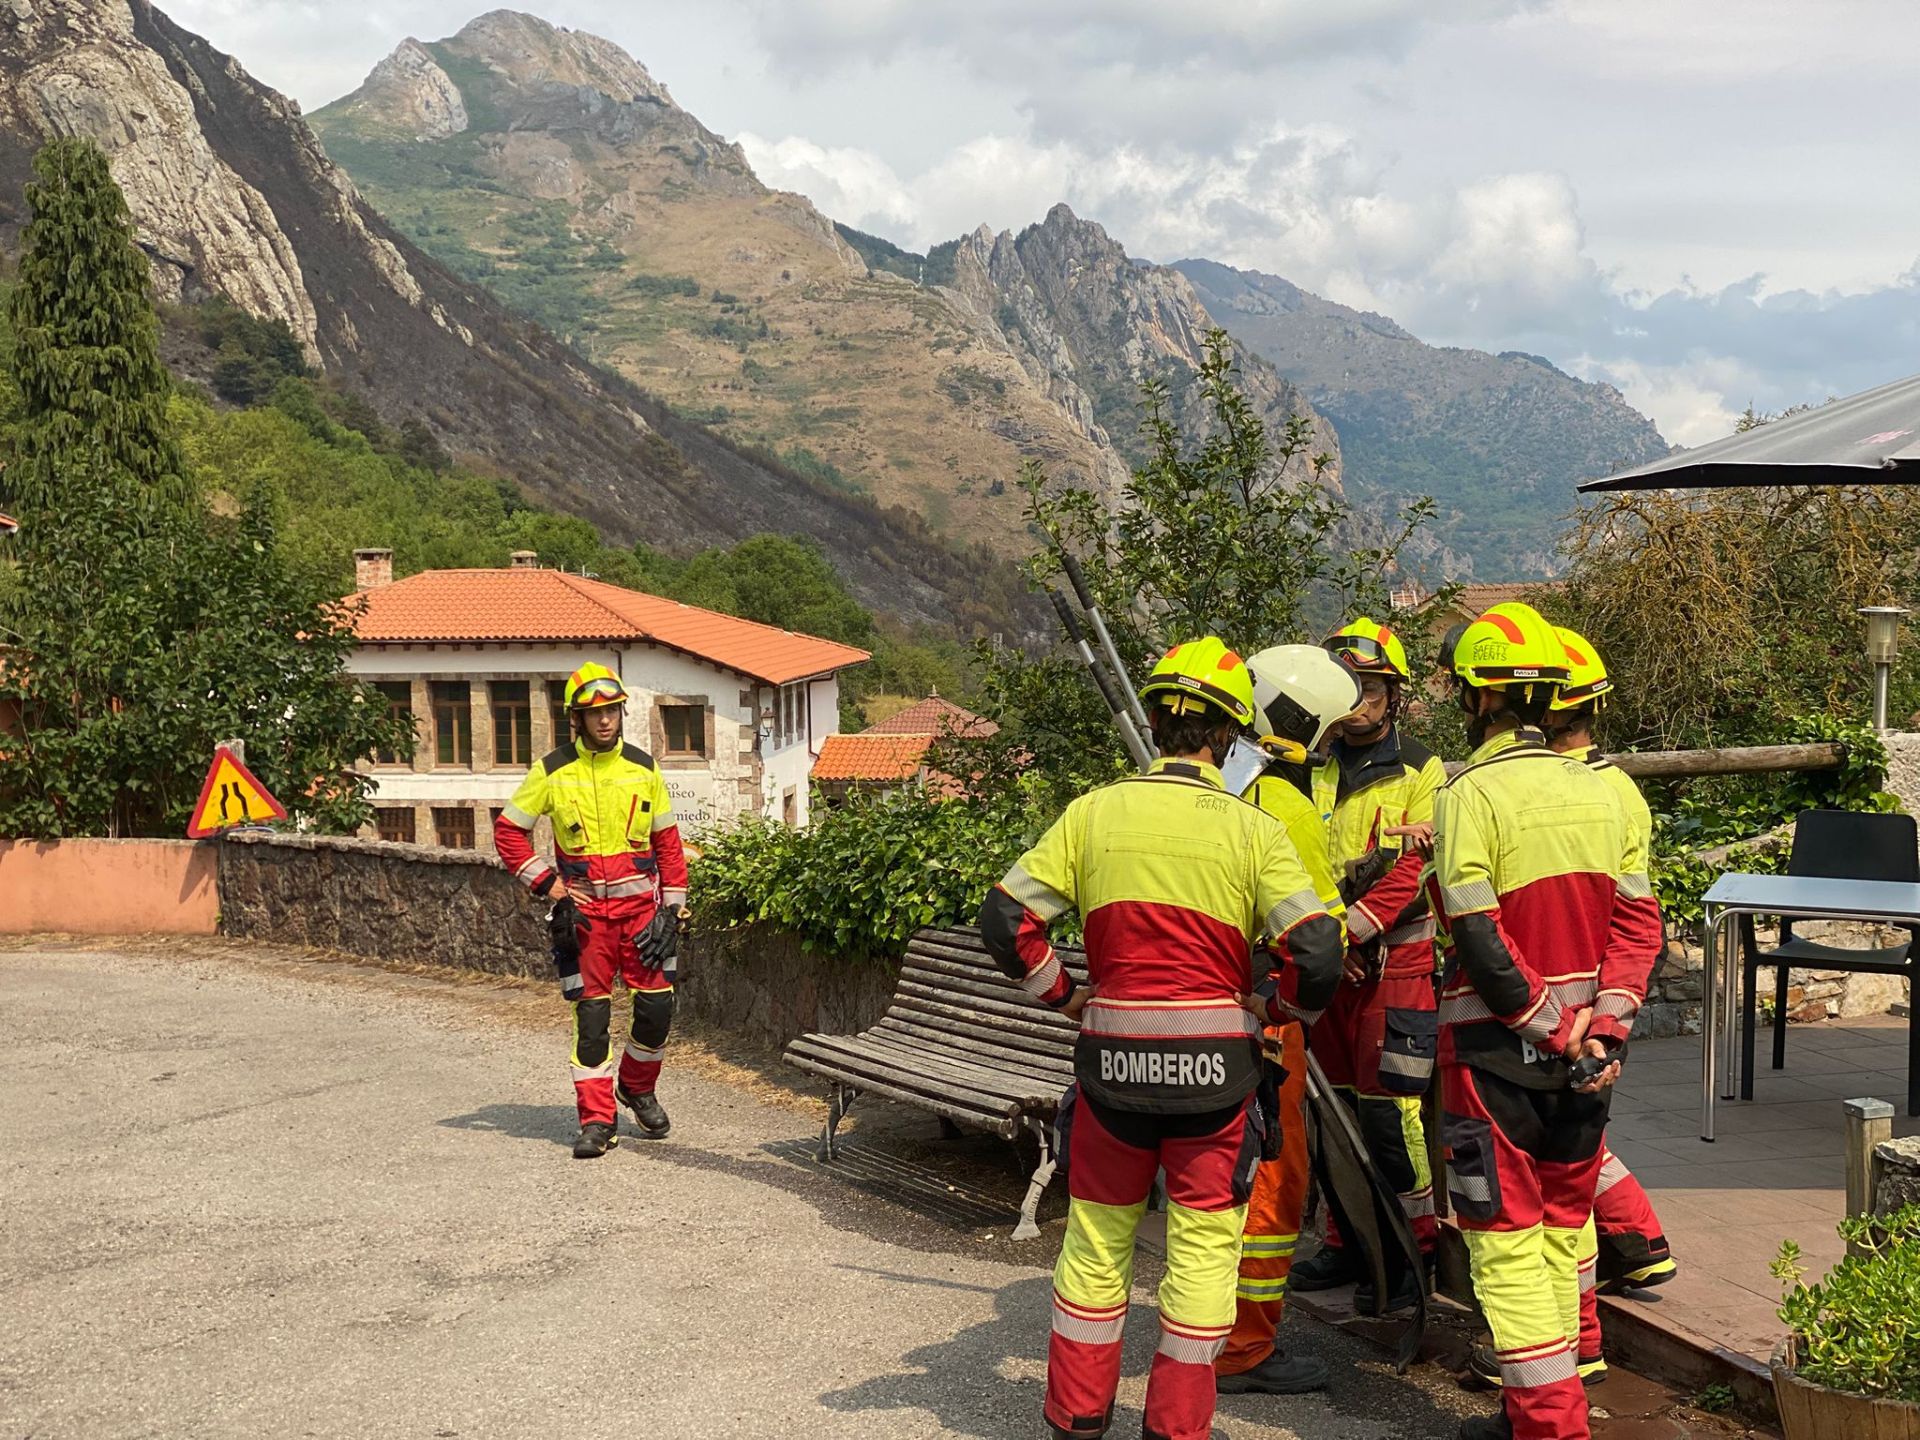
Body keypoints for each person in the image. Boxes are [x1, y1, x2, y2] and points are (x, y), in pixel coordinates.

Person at [978, 637, 1344, 1440]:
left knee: (1098, 1242)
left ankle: (1077, 1416)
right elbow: (1319, 951)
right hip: (1217, 1078)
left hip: (1111, 1069)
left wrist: (1070, 999)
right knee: (1205, 1253)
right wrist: (1272, 1008)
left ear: (1152, 717)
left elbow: (1006, 920)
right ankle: (1175, 1427)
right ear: (1228, 736)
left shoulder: (1093, 813)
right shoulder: (1253, 831)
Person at [1429, 602, 1660, 1440]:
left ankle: (1548, 1425)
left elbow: (1478, 937)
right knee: (1564, 1234)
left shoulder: (1471, 796)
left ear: (1480, 698)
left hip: (1498, 1059)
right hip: (1590, 1062)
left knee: (1505, 1249)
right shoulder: (1609, 792)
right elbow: (1639, 924)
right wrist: (1606, 1025)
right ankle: (1541, 1413)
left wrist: (1550, 1026)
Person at [1214, 644, 1365, 1396]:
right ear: (1299, 721)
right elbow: (1319, 935)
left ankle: (1199, 1328)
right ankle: (1244, 1347)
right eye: (1328, 731)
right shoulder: (1284, 805)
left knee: (1206, 1180)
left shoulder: (1208, 782)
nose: (1332, 742)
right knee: (1272, 1178)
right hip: (1261, 1016)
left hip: (1183, 1009)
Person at [1287, 618, 1448, 1311]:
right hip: (1329, 965)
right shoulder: (1304, 764)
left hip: (1394, 966)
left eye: (1369, 685)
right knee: (1331, 1111)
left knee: (1391, 1116)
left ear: (1394, 692)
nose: (1356, 697)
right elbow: (1289, 856)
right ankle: (1347, 1240)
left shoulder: (1422, 768)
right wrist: (1323, 941)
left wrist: (1349, 934)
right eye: (1345, 684)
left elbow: (1416, 866)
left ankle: (1418, 1255)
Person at [493, 662, 690, 1159]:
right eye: (593, 713)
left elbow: (668, 844)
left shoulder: (644, 767)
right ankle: (598, 1121)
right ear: (575, 719)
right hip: (586, 924)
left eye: (611, 711)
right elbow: (508, 832)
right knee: (593, 1021)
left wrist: (674, 909)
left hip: (643, 917)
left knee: (655, 1012)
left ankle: (637, 1088)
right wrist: (550, 885)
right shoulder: (553, 770)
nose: (605, 721)